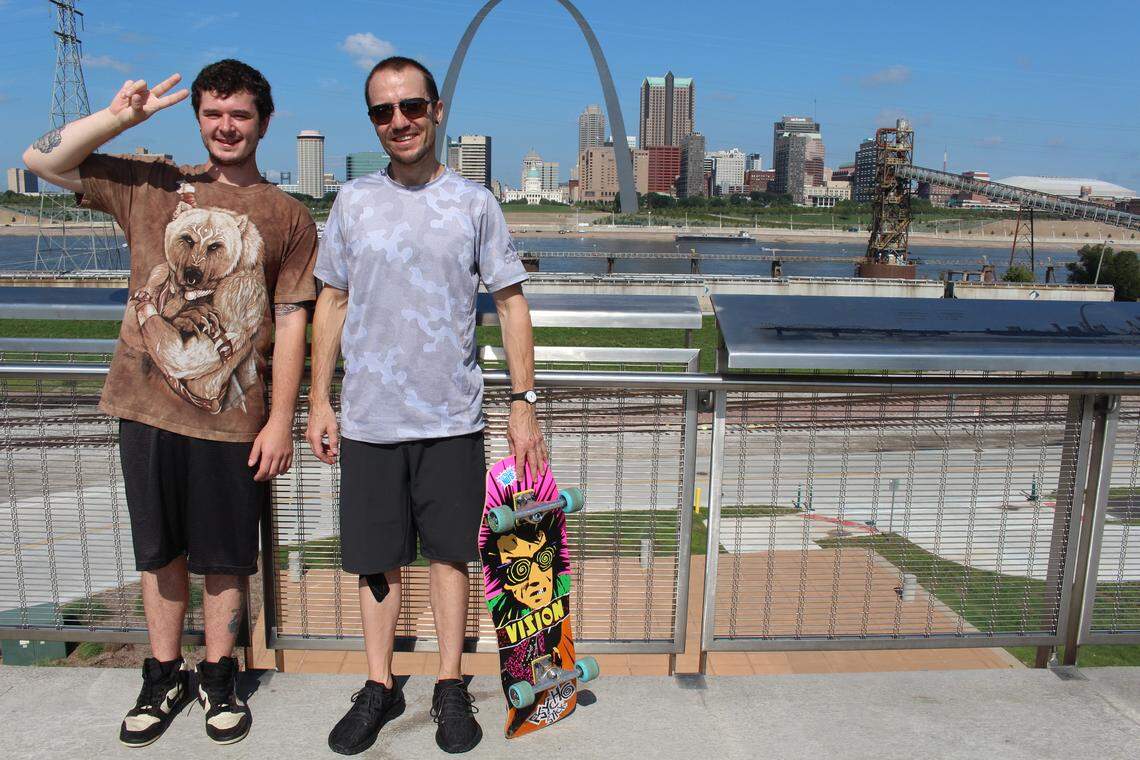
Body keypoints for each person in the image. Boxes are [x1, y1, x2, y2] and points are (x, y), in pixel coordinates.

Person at [22, 59, 317, 748]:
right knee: (159, 554)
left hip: (233, 422)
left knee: (224, 559)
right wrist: (120, 119)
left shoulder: (288, 215)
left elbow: (295, 319)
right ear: (198, 119)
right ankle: (162, 676)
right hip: (147, 406)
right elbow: (39, 160)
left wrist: (281, 419)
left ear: (263, 123)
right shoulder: (150, 184)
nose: (226, 127)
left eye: (240, 114)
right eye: (214, 113)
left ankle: (218, 676)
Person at [305, 55, 545, 755]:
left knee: (449, 558)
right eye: (383, 111)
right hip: (371, 421)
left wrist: (524, 399)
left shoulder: (476, 203)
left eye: (411, 107)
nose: (399, 121)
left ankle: (449, 685)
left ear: (437, 111)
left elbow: (510, 303)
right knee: (376, 563)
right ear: (373, 121)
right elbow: (332, 300)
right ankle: (378, 687)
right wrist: (319, 400)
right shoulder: (350, 201)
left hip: (452, 417)